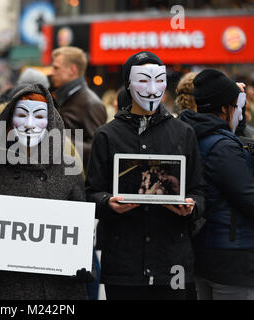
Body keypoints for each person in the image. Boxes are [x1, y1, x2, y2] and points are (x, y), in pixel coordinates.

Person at [85, 51, 205, 300]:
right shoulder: (107, 136)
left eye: (159, 80)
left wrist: (191, 207)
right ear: (128, 83)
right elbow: (90, 195)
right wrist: (108, 202)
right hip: (124, 265)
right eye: (143, 80)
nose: (152, 89)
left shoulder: (184, 133)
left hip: (172, 263)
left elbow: (199, 190)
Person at [0, 84, 91, 299]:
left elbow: (81, 224)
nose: (30, 124)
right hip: (4, 288)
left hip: (57, 290)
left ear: (50, 120)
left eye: (39, 116)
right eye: (22, 114)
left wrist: (81, 261)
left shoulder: (68, 167)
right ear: (9, 119)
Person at [179, 69, 254, 300]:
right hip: (232, 255)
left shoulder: (194, 134)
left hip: (206, 250)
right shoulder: (223, 147)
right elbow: (248, 198)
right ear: (224, 108)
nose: (241, 114)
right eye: (238, 107)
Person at [49, 46, 107, 171]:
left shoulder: (91, 103)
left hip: (78, 180)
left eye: (56, 68)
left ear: (72, 70)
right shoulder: (64, 97)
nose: (52, 72)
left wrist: (61, 143)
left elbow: (99, 148)